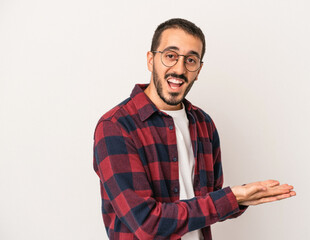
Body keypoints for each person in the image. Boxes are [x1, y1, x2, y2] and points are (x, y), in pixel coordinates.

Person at [93, 18, 296, 240]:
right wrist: (230, 198)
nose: (179, 69)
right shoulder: (116, 126)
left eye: (190, 60)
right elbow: (146, 224)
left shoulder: (204, 124)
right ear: (151, 60)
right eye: (170, 56)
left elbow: (207, 203)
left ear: (198, 70)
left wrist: (240, 198)